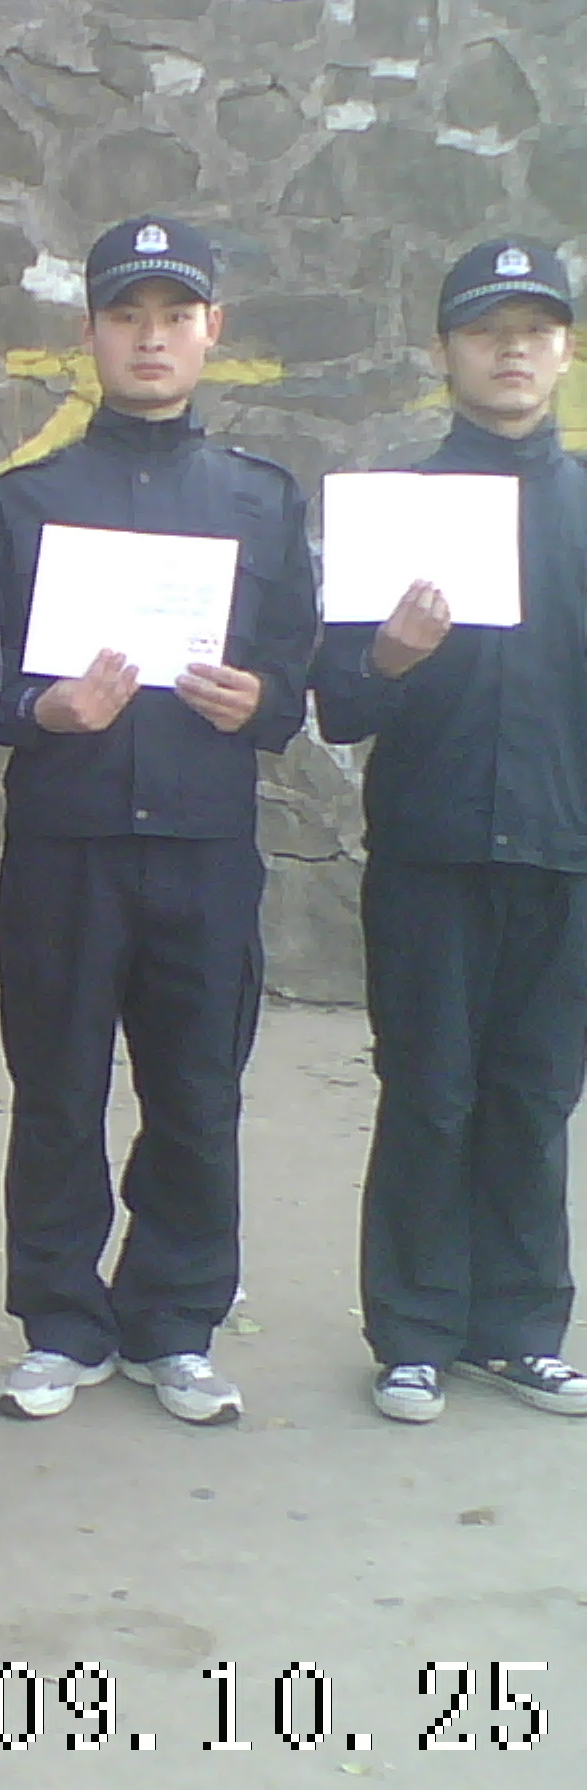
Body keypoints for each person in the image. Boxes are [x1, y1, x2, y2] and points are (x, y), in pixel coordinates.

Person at [0, 218, 318, 1428]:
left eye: (174, 316)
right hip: (64, 848)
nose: (150, 339)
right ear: (90, 334)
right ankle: (60, 1326)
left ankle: (175, 1324)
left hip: (201, 851)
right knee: (55, 1093)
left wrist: (258, 699)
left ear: (211, 331)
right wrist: (43, 708)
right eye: (126, 316)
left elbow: (296, 671)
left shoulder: (259, 501)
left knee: (195, 1096)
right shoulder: (24, 505)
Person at [312, 238, 587, 1425]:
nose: (510, 351)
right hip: (428, 853)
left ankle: (520, 1330)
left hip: (566, 855)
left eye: (533, 330)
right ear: (443, 352)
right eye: (485, 331)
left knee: (534, 1095)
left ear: (564, 351)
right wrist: (389, 653)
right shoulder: (397, 514)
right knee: (427, 1093)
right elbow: (338, 703)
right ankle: (414, 1334)